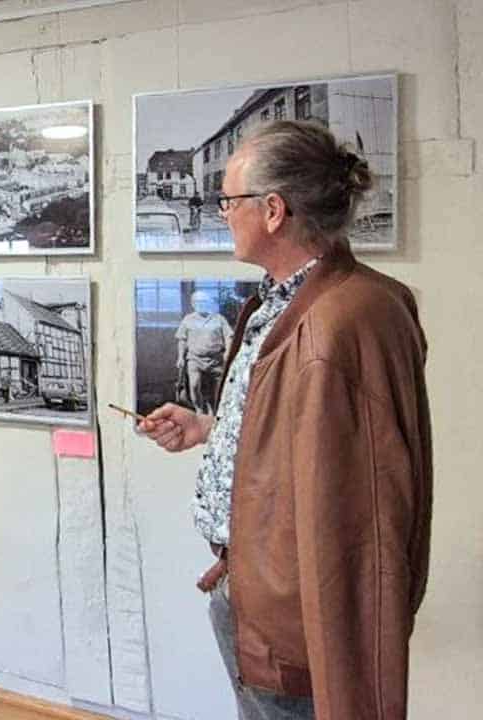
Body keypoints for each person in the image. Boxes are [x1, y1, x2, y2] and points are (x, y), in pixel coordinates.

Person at [139, 120, 432, 720]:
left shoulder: (340, 319)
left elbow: (364, 506)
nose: (221, 211)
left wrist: (343, 651)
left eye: (228, 199)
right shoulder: (289, 300)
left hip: (293, 617)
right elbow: (304, 437)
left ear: (273, 210)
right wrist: (208, 430)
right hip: (254, 588)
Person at [174, 290, 233, 414]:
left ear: (209, 303)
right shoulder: (188, 319)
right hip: (195, 358)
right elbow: (182, 339)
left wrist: (228, 351)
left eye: (204, 301)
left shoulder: (219, 319)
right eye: (197, 302)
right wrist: (180, 357)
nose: (201, 304)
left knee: (217, 389)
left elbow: (229, 336)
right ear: (193, 304)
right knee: (194, 385)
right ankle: (199, 409)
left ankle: (213, 410)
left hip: (216, 360)